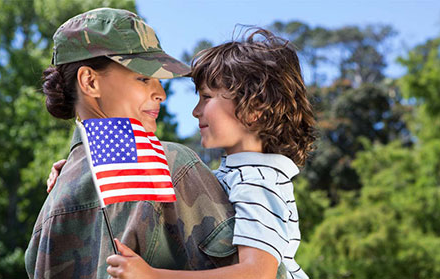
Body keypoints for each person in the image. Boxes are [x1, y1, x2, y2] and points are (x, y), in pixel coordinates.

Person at [26, 8, 293, 279]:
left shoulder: (51, 207)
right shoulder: (172, 166)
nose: (161, 93)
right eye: (143, 78)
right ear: (90, 81)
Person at [104, 28, 316, 279]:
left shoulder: (258, 183)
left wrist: (152, 276)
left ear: (253, 109)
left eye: (207, 97)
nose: (196, 111)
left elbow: (257, 273)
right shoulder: (239, 175)